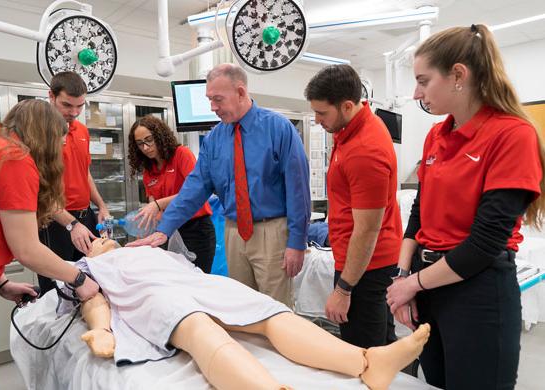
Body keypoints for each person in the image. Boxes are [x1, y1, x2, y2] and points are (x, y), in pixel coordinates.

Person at [386, 24, 545, 390]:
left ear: (458, 75)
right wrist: (402, 276)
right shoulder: (436, 136)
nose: (416, 93)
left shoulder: (511, 135)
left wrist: (413, 284)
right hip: (429, 288)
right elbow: (417, 217)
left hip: (477, 291)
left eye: (424, 81)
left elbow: (485, 243)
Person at [61, 237, 430, 390]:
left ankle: (367, 362)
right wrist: (102, 329)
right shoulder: (87, 268)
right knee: (196, 326)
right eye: (94, 241)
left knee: (268, 311)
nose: (101, 239)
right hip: (154, 295)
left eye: (102, 238)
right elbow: (93, 300)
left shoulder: (151, 249)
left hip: (201, 284)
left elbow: (195, 271)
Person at [127, 63, 311, 307]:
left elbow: (298, 190)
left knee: (276, 309)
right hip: (234, 232)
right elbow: (194, 187)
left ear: (241, 93)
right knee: (242, 307)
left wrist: (297, 242)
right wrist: (165, 228)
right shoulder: (214, 139)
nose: (213, 107)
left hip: (272, 232)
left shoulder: (278, 128)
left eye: (218, 99)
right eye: (209, 99)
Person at [0, 99, 100, 390]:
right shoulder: (13, 158)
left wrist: (0, 281)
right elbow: (28, 249)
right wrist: (79, 279)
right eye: (59, 142)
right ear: (45, 136)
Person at [304, 64, 402, 348]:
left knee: (362, 354)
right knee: (382, 346)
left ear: (347, 106)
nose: (317, 119)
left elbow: (367, 231)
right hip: (362, 262)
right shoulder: (350, 129)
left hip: (365, 269)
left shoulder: (364, 150)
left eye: (322, 113)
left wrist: (344, 289)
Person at [37, 71, 110, 294]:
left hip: (84, 217)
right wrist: (70, 224)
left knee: (92, 284)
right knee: (57, 291)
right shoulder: (39, 133)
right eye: (67, 105)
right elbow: (39, 190)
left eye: (80, 106)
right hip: (55, 222)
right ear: (51, 96)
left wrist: (101, 205)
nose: (74, 113)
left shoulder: (82, 130)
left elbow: (84, 171)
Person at [127, 115, 216, 273]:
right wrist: (144, 232)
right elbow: (154, 210)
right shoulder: (149, 171)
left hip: (196, 229)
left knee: (198, 279)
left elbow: (195, 192)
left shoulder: (182, 154)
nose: (146, 147)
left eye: (149, 140)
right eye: (140, 144)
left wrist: (157, 204)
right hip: (169, 230)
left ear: (160, 135)